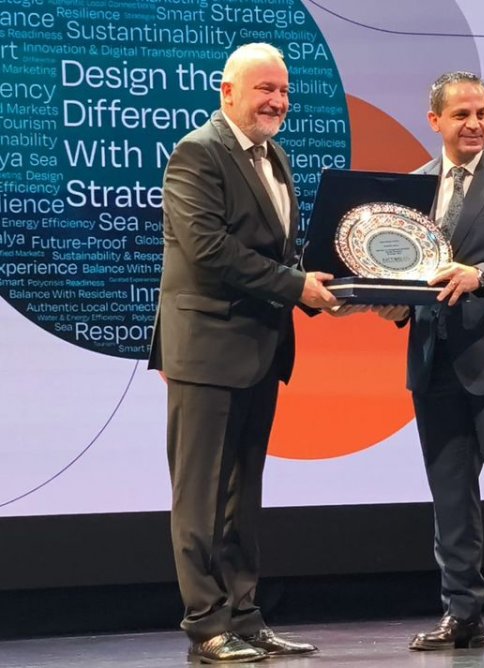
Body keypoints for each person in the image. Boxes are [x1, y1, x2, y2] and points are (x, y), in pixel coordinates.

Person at [148, 43, 338, 664]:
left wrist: (324, 289)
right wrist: (295, 286)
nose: (277, 101)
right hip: (206, 349)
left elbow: (277, 254)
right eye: (265, 89)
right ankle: (206, 625)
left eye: (283, 91)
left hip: (260, 346)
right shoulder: (197, 153)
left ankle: (246, 618)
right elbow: (209, 249)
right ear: (227, 91)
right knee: (200, 496)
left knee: (240, 496)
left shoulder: (274, 155)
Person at [379, 71, 484, 651]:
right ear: (435, 121)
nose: (475, 124)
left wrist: (479, 275)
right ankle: (462, 614)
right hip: (435, 364)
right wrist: (390, 303)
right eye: (461, 115)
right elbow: (399, 268)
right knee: (450, 498)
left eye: (482, 113)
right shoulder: (410, 189)